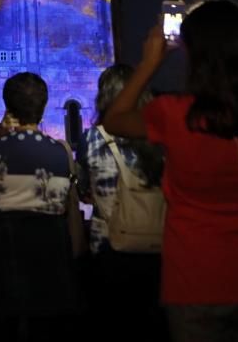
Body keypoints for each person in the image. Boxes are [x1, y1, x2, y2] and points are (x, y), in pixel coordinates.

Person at [103, 0, 238, 341]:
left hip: (192, 279)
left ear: (191, 53)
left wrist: (148, 64)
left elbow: (114, 119)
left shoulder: (173, 113)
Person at [0, 72, 81, 342]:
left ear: (8, 106)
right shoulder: (60, 151)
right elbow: (71, 206)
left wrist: (3, 129)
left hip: (3, 262)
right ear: (43, 106)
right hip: (50, 263)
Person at [76, 64, 168, 341]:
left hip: (109, 247)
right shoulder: (160, 137)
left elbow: (83, 190)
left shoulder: (92, 139)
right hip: (160, 244)